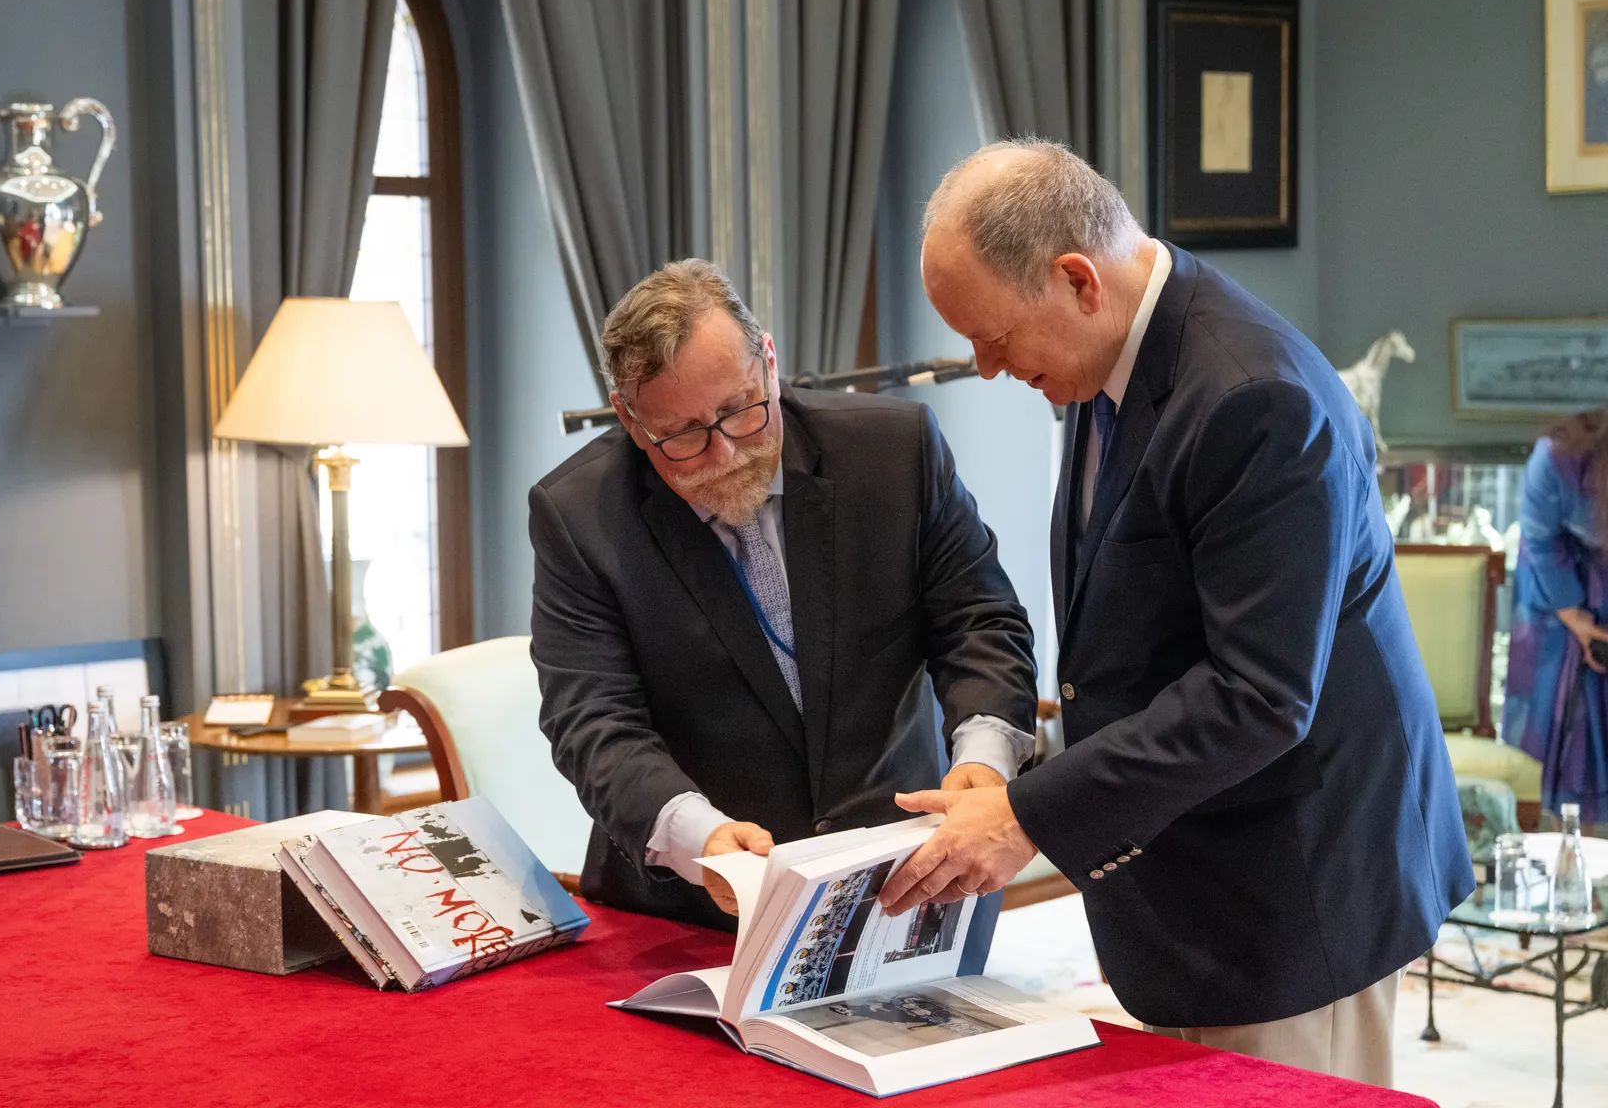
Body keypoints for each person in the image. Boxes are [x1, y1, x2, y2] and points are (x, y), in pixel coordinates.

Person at [880, 139, 1472, 1086]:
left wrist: (1028, 817)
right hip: (1193, 874)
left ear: (1077, 280)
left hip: (1296, 887)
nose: (987, 369)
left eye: (993, 338)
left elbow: (1260, 696)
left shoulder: (1254, 397)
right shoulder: (1104, 354)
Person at [529, 258, 1039, 928]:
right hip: (695, 907)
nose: (723, 453)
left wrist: (984, 763)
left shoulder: (894, 450)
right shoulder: (580, 515)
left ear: (768, 361)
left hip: (903, 873)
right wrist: (699, 837)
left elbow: (979, 621)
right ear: (629, 419)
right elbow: (592, 722)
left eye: (739, 409)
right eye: (681, 435)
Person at [1502, 410, 1608, 827]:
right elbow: (1541, 540)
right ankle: (1565, 829)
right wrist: (1577, 617)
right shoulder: (1556, 460)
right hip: (1554, 582)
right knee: (1567, 700)